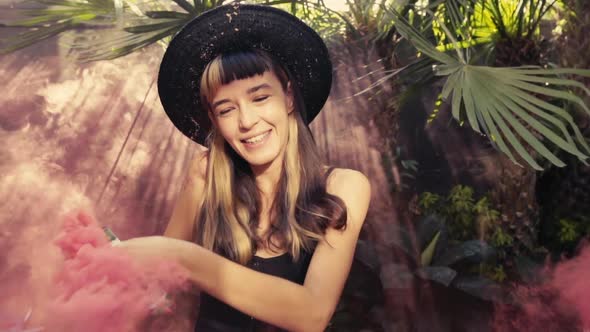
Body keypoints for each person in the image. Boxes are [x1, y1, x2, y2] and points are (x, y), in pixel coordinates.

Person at [117, 3, 371, 332]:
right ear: (214, 120)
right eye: (226, 109)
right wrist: (110, 268)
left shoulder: (344, 186)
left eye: (260, 98)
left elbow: (312, 314)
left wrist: (181, 257)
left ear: (289, 97)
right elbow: (157, 286)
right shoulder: (206, 174)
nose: (247, 121)